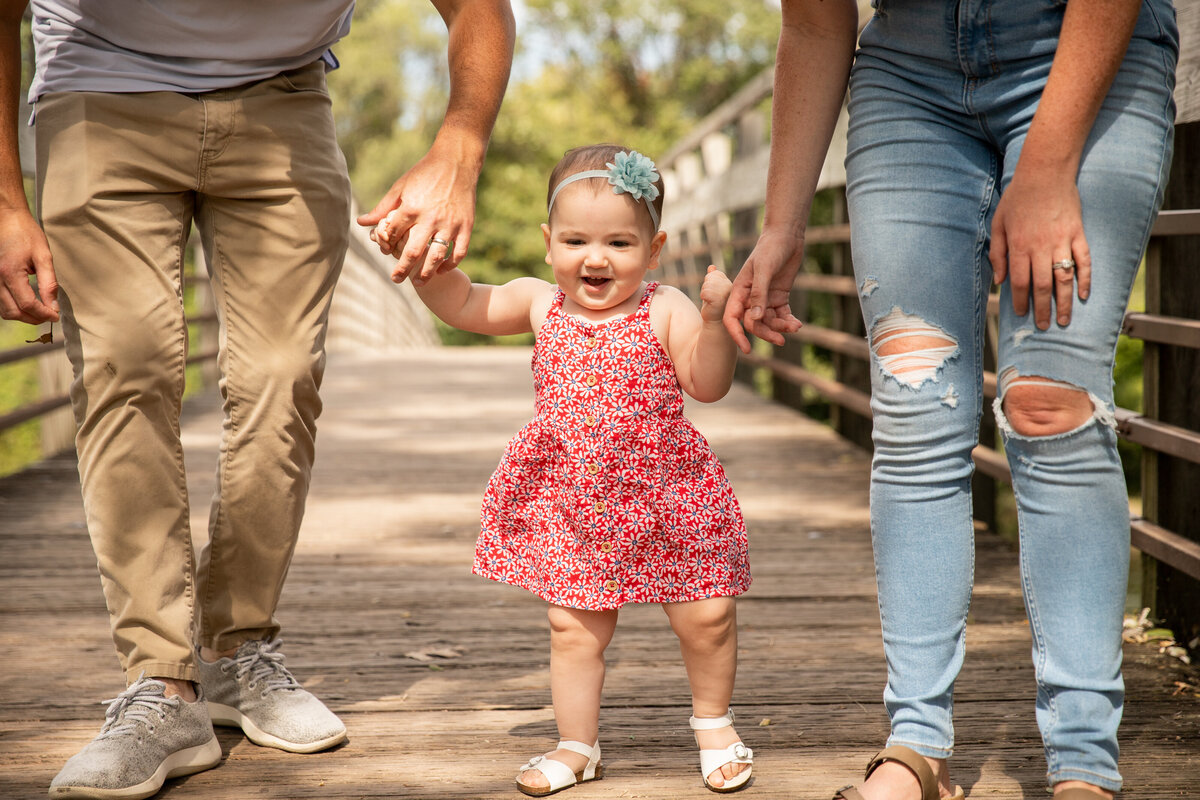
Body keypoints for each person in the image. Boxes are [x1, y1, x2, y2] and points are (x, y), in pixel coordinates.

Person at [0, 2, 515, 798]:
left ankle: (237, 651)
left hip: (282, 98)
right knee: (124, 364)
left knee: (284, 376)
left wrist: (461, 143)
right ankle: (161, 685)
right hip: (99, 90)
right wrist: (6, 198)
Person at [724, 2, 1178, 799]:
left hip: (1075, 49)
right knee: (913, 411)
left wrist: (1044, 171)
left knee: (1051, 404)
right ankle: (915, 744)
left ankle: (1083, 763)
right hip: (908, 71)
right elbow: (815, 22)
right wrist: (781, 223)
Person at [380, 144, 755, 795]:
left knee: (707, 615)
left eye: (619, 241)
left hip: (667, 491)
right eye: (577, 240)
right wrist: (422, 260)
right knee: (573, 627)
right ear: (549, 242)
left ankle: (714, 723)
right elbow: (464, 303)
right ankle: (578, 744)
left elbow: (707, 381)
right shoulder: (537, 302)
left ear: (654, 248)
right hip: (574, 499)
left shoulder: (664, 308)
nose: (596, 257)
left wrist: (717, 322)